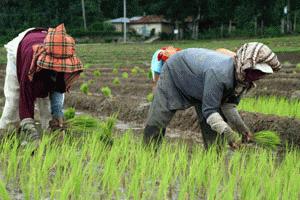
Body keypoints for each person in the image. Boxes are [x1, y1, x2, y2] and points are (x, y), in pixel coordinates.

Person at [144, 42, 282, 149]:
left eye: (262, 74)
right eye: (257, 72)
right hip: (177, 71)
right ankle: (149, 154)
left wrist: (243, 130)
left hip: (200, 80)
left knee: (212, 125)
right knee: (159, 117)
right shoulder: (219, 74)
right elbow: (210, 111)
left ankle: (214, 156)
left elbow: (229, 106)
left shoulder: (242, 80)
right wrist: (230, 135)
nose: (259, 76)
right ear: (246, 66)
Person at [0, 24, 84, 142]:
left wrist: (57, 113)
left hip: (44, 45)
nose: (58, 67)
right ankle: (6, 136)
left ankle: (52, 139)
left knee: (48, 107)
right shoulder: (31, 60)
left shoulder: (64, 56)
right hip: (19, 52)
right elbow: (25, 94)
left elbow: (59, 88)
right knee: (13, 100)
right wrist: (28, 124)